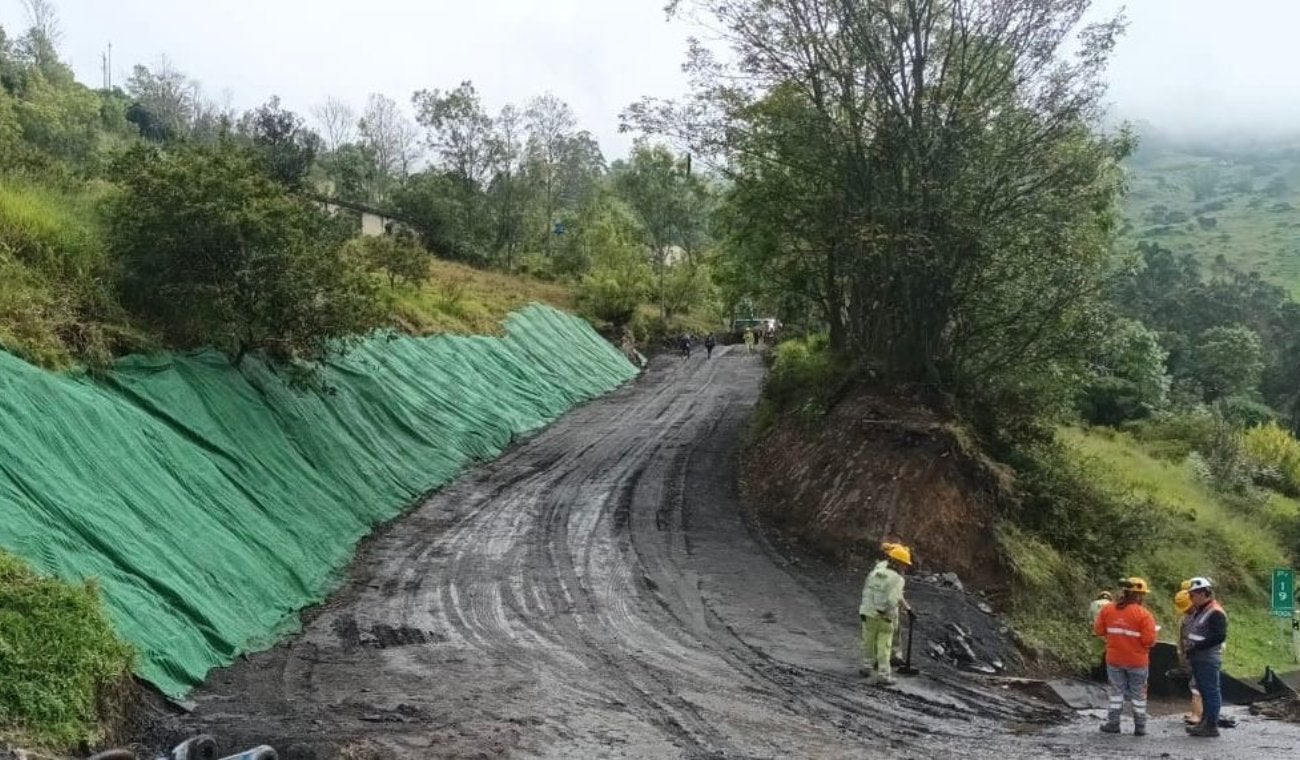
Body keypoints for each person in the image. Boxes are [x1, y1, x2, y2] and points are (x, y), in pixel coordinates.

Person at [1094, 577, 1158, 736]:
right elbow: (1149, 641)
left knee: (1116, 692)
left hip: (1114, 659)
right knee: (1138, 694)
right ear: (1139, 596)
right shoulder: (1145, 615)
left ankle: (1113, 723)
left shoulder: (1108, 610)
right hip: (1137, 662)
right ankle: (1140, 726)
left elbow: (1099, 631)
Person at [859, 543, 914, 686]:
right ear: (899, 563)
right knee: (884, 645)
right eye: (904, 564)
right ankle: (883, 675)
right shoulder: (898, 579)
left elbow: (867, 590)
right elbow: (892, 598)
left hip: (868, 611)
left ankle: (866, 667)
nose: (906, 567)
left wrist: (906, 607)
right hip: (884, 617)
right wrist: (886, 611)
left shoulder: (876, 572)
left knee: (868, 641)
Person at [1183, 576, 1227, 738]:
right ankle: (1205, 722)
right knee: (1204, 691)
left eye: (1192, 595)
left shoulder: (1215, 612)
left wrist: (1197, 647)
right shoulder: (1201, 610)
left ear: (1203, 594)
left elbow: (1219, 636)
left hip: (1207, 658)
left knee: (1210, 692)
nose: (1190, 598)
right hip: (1199, 657)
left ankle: (1211, 726)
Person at [1174, 580, 1202, 726]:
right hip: (1191, 654)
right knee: (1194, 684)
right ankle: (1196, 713)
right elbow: (1182, 637)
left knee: (1198, 685)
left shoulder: (1201, 615)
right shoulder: (1187, 617)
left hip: (1201, 655)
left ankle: (1199, 715)